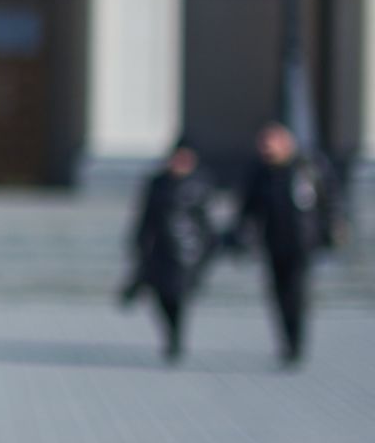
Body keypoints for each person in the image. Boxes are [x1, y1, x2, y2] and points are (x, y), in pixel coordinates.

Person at [231, 121, 335, 368]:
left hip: (302, 242)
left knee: (296, 293)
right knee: (278, 294)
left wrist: (332, 228)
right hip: (273, 242)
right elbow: (248, 207)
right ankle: (287, 341)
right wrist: (241, 234)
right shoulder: (260, 173)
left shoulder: (308, 167)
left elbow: (329, 199)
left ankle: (296, 343)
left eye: (272, 142)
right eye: (264, 143)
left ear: (287, 142)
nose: (267, 148)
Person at [120, 138, 217, 362]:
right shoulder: (158, 183)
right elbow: (146, 215)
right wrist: (138, 241)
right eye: (177, 157)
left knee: (177, 295)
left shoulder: (200, 184)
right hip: (160, 249)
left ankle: (175, 338)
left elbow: (206, 222)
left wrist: (206, 249)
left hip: (188, 252)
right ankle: (171, 333)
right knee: (162, 296)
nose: (180, 162)